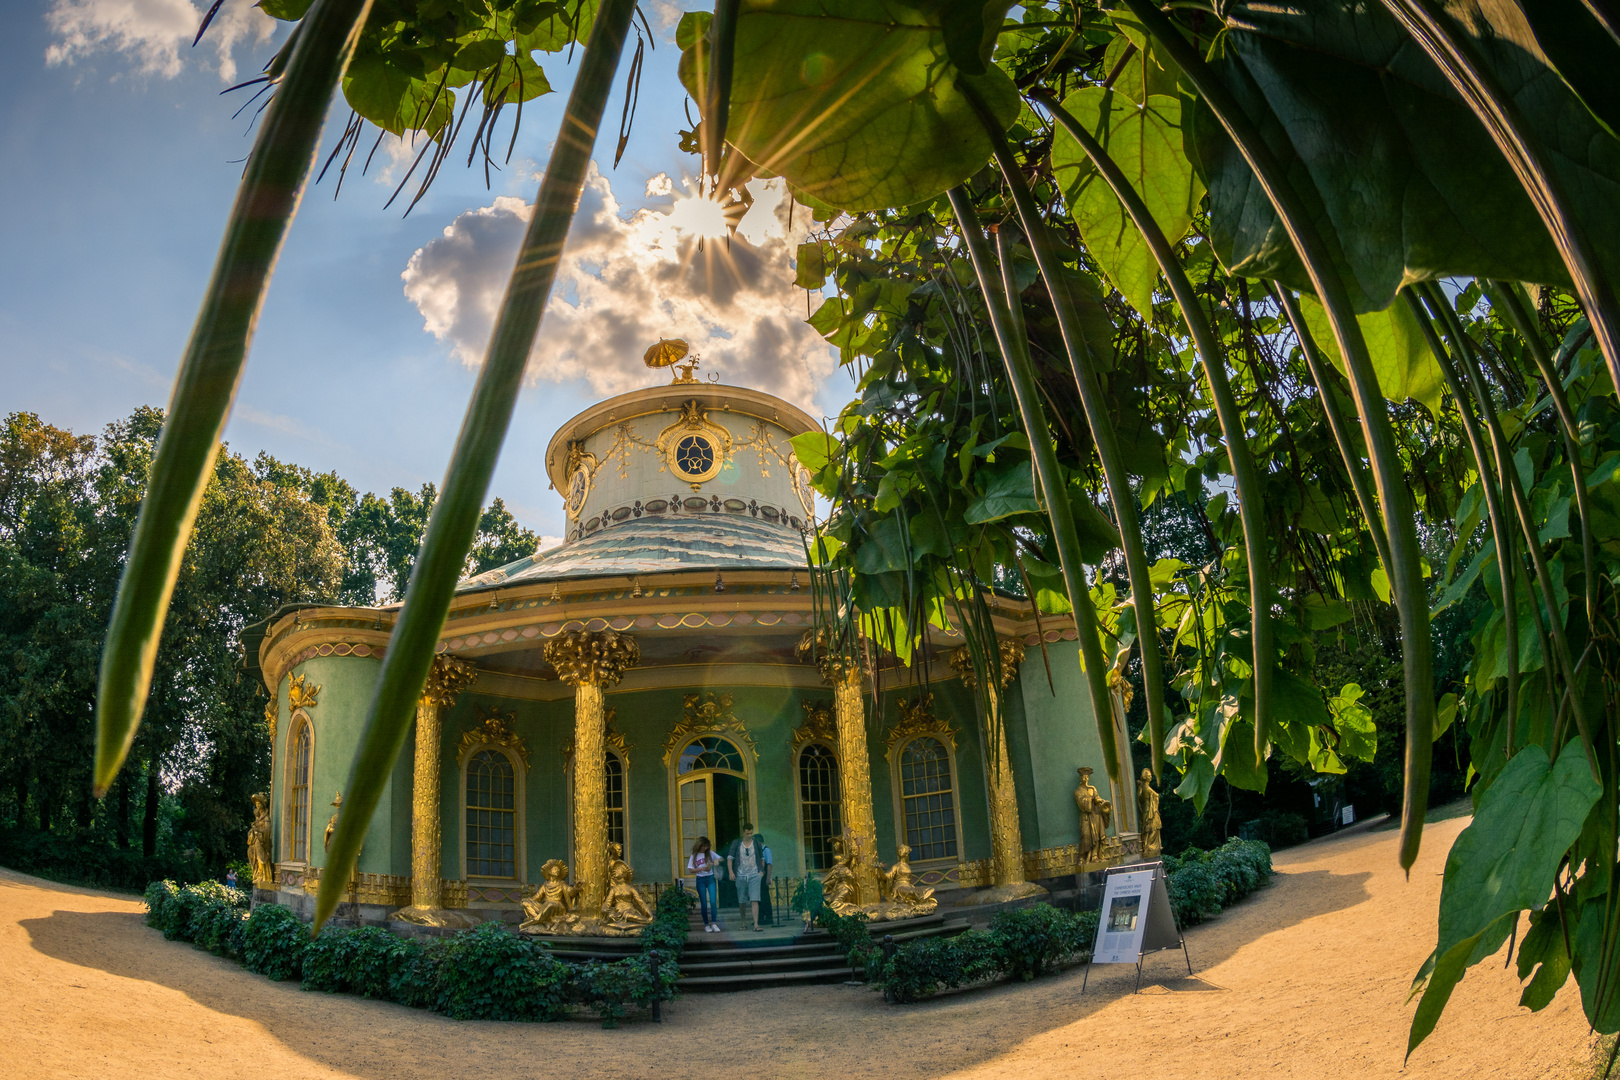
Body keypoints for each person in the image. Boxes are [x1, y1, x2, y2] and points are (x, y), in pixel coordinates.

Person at [726, 822, 767, 932]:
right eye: (747, 833)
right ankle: (743, 922)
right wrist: (731, 872)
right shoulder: (737, 843)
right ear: (743, 832)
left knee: (755, 899)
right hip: (741, 875)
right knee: (742, 901)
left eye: (751, 833)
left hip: (754, 874)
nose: (749, 835)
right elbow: (730, 858)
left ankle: (756, 924)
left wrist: (761, 872)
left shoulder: (756, 843)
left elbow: (762, 858)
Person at [688, 836, 723, 932]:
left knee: (713, 901)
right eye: (703, 846)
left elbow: (721, 858)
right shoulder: (694, 856)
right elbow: (691, 870)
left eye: (706, 846)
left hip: (710, 877)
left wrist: (716, 860)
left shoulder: (710, 854)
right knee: (703, 903)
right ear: (699, 846)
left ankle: (714, 923)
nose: (705, 848)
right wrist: (701, 869)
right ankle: (706, 924)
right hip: (700, 879)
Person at [757, 833, 774, 926]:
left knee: (765, 897)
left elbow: (769, 864)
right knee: (759, 897)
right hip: (759, 875)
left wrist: (768, 878)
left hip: (764, 876)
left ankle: (768, 917)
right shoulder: (758, 851)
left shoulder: (766, 850)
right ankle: (760, 917)